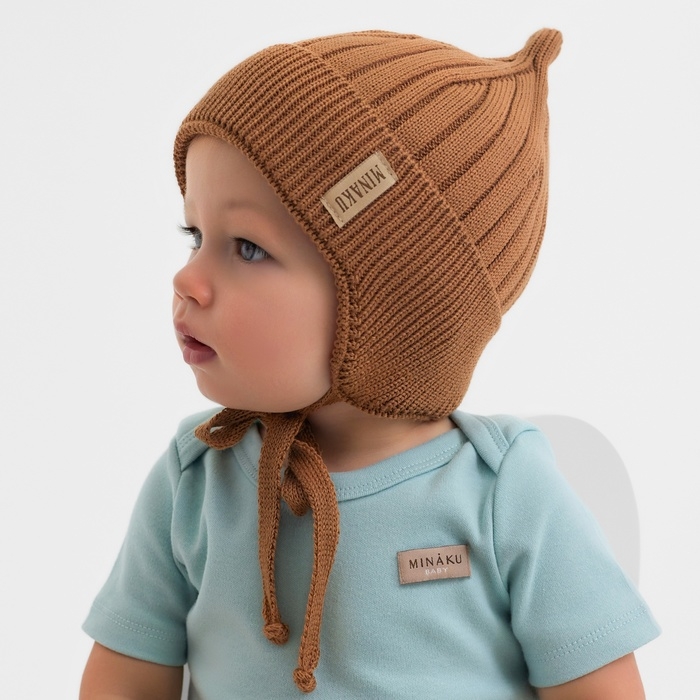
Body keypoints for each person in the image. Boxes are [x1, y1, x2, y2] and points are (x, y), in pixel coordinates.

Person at [80, 28, 660, 699]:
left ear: (395, 308)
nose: (187, 280)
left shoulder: (502, 492)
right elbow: (123, 682)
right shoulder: (199, 479)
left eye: (247, 248)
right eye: (195, 235)